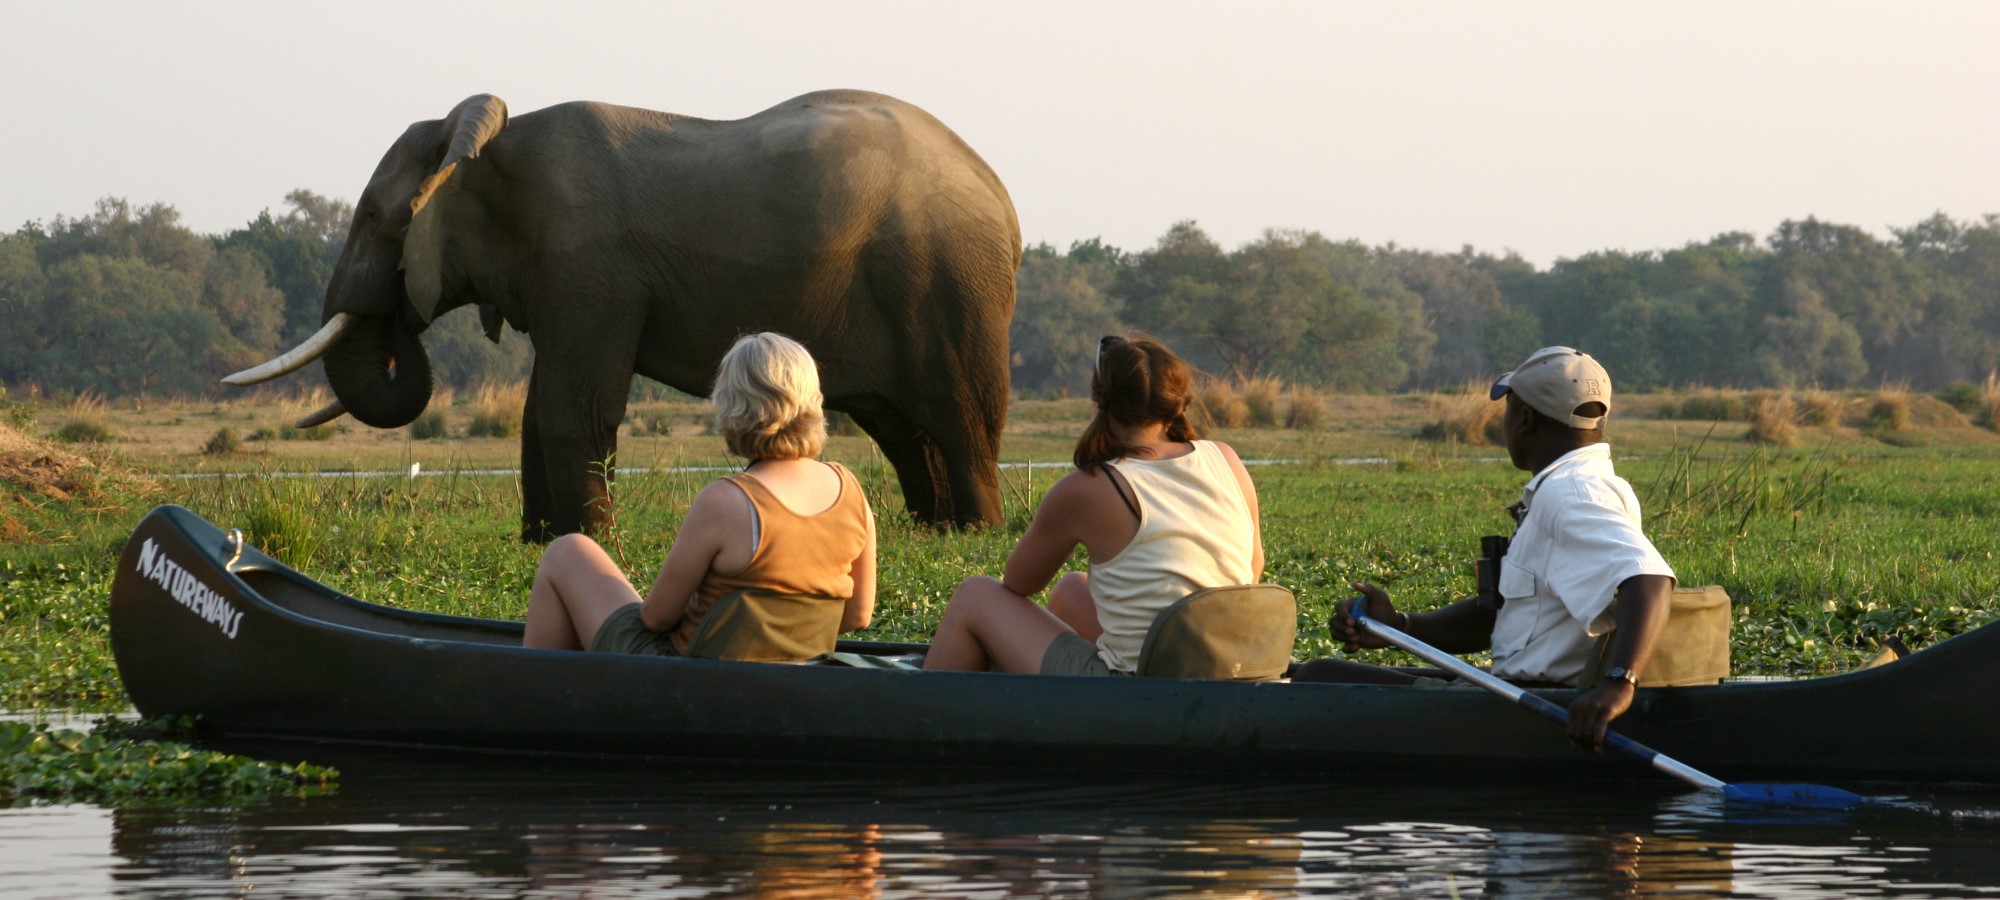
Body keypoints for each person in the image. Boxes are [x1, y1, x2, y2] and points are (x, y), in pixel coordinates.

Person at [1294, 346, 1676, 753]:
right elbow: (1501, 616)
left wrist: (1620, 684)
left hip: (1533, 704)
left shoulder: (1572, 494)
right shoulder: (1591, 484)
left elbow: (1648, 578)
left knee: (1313, 675)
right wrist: (1398, 626)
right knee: (1315, 673)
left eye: (1508, 410)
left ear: (1524, 418)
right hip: (1517, 686)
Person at [923, 334, 1264, 675]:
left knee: (975, 596)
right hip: (1228, 667)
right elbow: (1253, 567)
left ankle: (917, 719)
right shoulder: (1225, 458)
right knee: (1072, 588)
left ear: (1100, 401)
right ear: (1175, 403)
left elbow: (1018, 582)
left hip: (1140, 690)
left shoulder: (1087, 488)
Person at [521, 332, 876, 656]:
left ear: (733, 405)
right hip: (793, 677)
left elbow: (657, 619)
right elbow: (859, 613)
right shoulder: (851, 491)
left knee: (567, 551)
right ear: (812, 400)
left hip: (686, 680)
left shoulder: (726, 501)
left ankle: (538, 702)